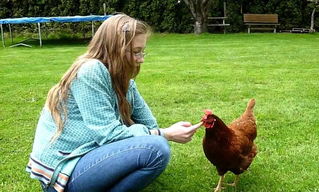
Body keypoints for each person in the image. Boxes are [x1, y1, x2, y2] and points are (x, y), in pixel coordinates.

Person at [26, 13, 202, 192]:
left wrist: (157, 132)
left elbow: (150, 125)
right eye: (135, 51)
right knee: (157, 150)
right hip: (65, 168)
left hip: (87, 159)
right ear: (115, 48)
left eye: (142, 51)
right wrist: (166, 134)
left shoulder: (123, 81)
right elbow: (109, 135)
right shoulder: (90, 71)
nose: (141, 58)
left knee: (155, 146)